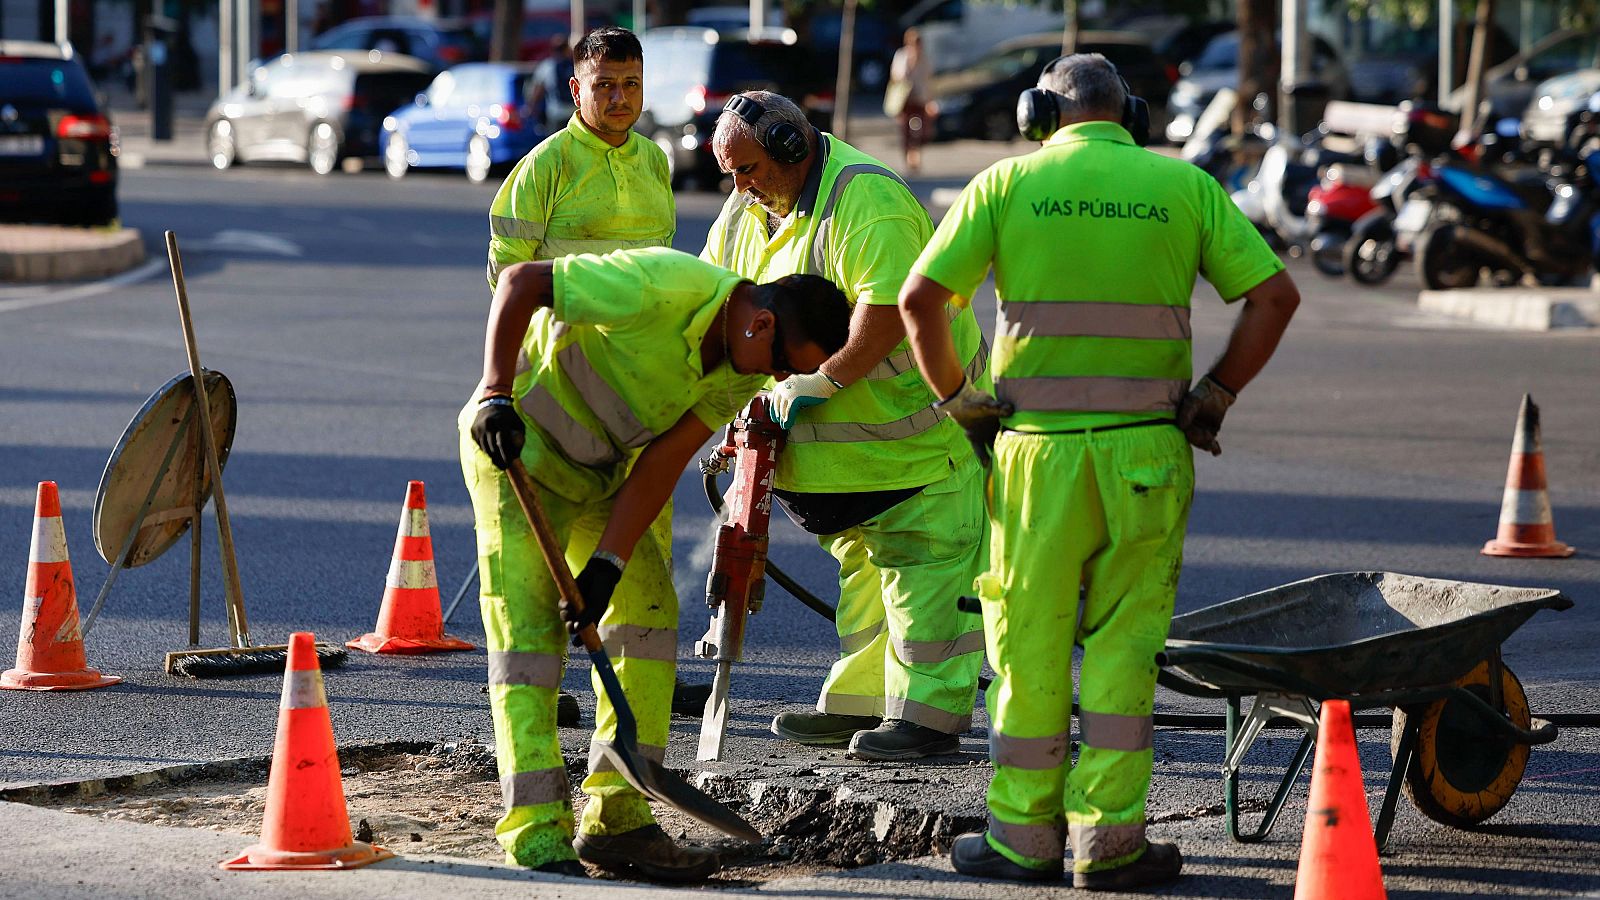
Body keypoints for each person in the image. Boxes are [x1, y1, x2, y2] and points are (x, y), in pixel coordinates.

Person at [898, 54, 1299, 890]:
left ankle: (1021, 840)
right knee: (1124, 648)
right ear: (1135, 115)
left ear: (1037, 111)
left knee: (1028, 643)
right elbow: (1274, 297)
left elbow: (920, 300)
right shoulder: (1182, 187)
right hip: (1147, 453)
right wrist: (1216, 394)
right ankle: (1109, 846)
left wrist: (962, 400)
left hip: (1036, 456)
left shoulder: (1004, 184)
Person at [461, 246, 852, 880]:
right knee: (529, 638)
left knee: (645, 621)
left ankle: (619, 821)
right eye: (784, 366)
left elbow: (664, 460)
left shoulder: (741, 370)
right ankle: (535, 832)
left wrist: (609, 563)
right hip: (519, 454)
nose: (779, 380)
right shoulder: (662, 287)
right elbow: (522, 281)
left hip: (604, 472)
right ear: (763, 324)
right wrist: (494, 395)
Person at [701, 91, 989, 761]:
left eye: (748, 170)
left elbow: (887, 311)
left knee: (925, 573)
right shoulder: (745, 213)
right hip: (847, 464)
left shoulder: (867, 202)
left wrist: (820, 382)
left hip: (920, 445)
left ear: (792, 149)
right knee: (865, 576)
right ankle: (861, 701)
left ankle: (929, 717)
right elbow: (717, 302)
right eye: (730, 174)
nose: (740, 188)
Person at [487, 27, 706, 724]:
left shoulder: (654, 163)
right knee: (546, 547)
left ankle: (646, 687)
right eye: (604, 85)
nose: (618, 98)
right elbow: (506, 275)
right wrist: (510, 381)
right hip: (558, 386)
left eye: (631, 85)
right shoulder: (546, 166)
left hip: (641, 386)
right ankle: (545, 691)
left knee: (644, 538)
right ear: (576, 88)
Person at [887, 28, 934, 173]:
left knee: (921, 131)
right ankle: (909, 157)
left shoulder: (924, 58)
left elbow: (927, 80)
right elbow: (897, 75)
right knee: (906, 131)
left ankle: (916, 155)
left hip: (919, 98)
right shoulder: (902, 56)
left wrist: (930, 100)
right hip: (904, 99)